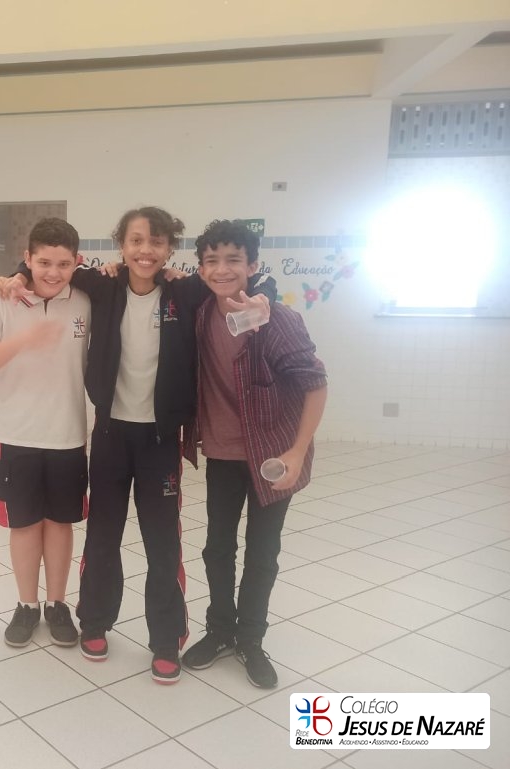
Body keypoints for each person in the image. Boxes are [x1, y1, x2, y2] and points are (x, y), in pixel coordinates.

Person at [0, 206, 274, 684]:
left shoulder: (186, 291)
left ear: (169, 249)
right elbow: (50, 266)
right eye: (137, 240)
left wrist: (266, 295)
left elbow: (245, 281)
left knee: (163, 543)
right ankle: (95, 623)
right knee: (102, 536)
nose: (146, 250)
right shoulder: (102, 286)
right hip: (110, 435)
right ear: (121, 245)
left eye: (157, 241)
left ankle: (166, 639)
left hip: (160, 441)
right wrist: (16, 274)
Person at [181, 220, 327, 689]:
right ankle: (220, 631)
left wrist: (297, 451)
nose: (222, 270)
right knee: (217, 548)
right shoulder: (200, 312)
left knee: (263, 553)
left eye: (233, 260)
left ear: (253, 266)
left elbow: (316, 385)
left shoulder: (277, 319)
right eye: (212, 261)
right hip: (222, 452)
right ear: (200, 268)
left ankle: (251, 639)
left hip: (273, 454)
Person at [0, 218, 89, 649]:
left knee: (60, 524)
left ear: (77, 262)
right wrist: (24, 339)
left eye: (63, 264)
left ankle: (57, 604)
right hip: (16, 435)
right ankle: (26, 605)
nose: (53, 272)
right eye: (44, 262)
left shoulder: (86, 300)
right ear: (27, 258)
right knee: (23, 525)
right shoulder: (0, 300)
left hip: (68, 435)